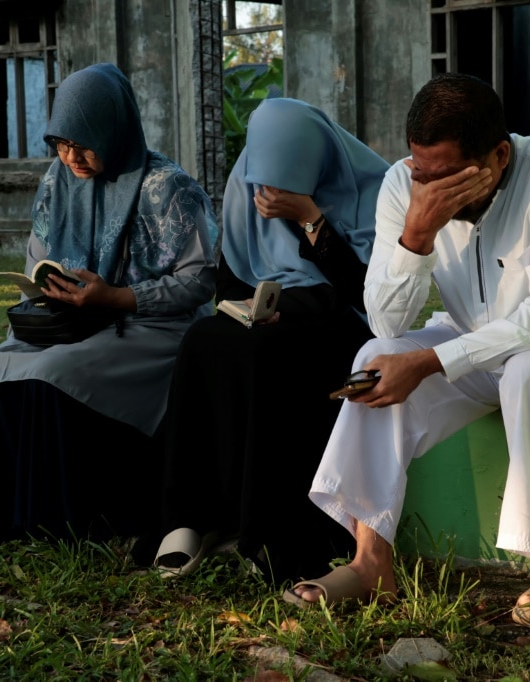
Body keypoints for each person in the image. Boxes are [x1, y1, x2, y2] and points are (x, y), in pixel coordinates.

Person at [282, 73, 530, 632]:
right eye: (423, 174)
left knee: (529, 370)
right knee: (375, 357)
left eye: (449, 178)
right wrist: (415, 234)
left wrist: (430, 362)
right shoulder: (406, 184)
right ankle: (371, 563)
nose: (432, 189)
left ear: (498, 155)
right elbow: (387, 321)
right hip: (476, 338)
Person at [0, 63, 219, 561]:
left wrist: (117, 298)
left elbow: (200, 281)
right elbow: (39, 259)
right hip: (72, 322)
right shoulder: (58, 181)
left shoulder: (169, 188)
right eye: (61, 144)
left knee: (55, 372)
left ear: (114, 129)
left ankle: (70, 523)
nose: (71, 157)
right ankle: (7, 523)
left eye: (84, 144)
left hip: (150, 327)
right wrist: (40, 302)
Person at [153, 98, 390, 583]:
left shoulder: (374, 190)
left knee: (270, 355)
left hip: (339, 318)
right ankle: (192, 516)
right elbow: (233, 277)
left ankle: (265, 528)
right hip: (270, 316)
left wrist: (309, 216)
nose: (267, 194)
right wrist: (248, 309)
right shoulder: (247, 184)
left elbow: (365, 292)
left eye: (282, 182)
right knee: (203, 339)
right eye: (263, 181)